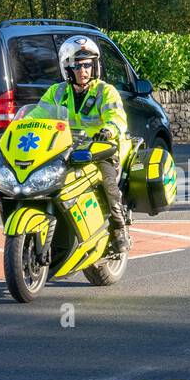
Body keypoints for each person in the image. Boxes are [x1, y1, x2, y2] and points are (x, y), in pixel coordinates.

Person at [39, 35, 131, 254]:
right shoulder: (57, 92)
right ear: (67, 68)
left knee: (107, 181)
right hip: (65, 150)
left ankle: (119, 228)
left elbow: (116, 116)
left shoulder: (105, 91)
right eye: (78, 65)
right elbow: (38, 114)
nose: (84, 70)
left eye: (88, 64)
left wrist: (108, 130)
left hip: (100, 149)